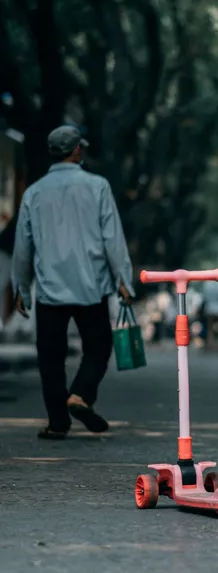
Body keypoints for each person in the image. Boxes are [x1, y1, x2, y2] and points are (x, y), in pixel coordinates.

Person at [12, 125, 134, 439]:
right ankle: (80, 394)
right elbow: (112, 238)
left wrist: (21, 288)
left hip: (50, 287)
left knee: (49, 356)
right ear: (77, 150)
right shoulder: (98, 187)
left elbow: (23, 247)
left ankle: (57, 422)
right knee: (99, 345)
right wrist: (124, 279)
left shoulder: (33, 193)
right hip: (90, 284)